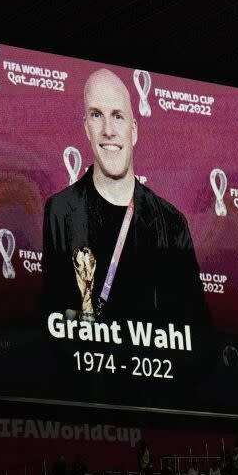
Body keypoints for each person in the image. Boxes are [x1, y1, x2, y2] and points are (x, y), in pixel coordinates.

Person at [42, 68, 209, 330]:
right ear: (86, 126)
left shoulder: (172, 222)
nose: (108, 130)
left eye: (117, 116)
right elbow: (53, 321)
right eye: (97, 115)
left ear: (134, 130)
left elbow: (195, 332)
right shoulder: (60, 211)